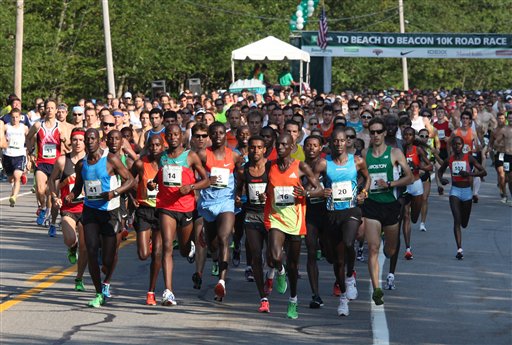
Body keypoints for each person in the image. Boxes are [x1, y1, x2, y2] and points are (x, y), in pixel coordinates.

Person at [65, 128, 134, 308]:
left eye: (92, 138)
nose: (89, 142)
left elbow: (130, 179)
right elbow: (78, 187)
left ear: (99, 140)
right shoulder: (81, 165)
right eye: (87, 139)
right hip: (90, 211)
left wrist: (114, 192)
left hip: (110, 212)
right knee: (91, 250)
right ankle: (98, 293)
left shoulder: (110, 160)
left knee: (108, 260)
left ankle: (106, 268)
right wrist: (72, 196)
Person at [149, 124, 210, 305]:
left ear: (182, 137)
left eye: (176, 134)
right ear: (166, 137)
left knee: (183, 250)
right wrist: (152, 185)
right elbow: (158, 178)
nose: (173, 137)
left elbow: (206, 180)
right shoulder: (162, 157)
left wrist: (191, 187)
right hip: (166, 207)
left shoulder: (190, 156)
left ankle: (190, 246)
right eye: (170, 135)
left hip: (186, 209)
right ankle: (168, 291)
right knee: (167, 247)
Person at [264, 133, 322, 319]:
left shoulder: (301, 166)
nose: (280, 147)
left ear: (292, 147)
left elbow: (319, 189)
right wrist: (264, 196)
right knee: (274, 256)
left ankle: (293, 301)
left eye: (284, 145)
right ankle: (279, 271)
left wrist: (305, 193)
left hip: (295, 221)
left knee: (293, 266)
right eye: (277, 144)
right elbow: (268, 188)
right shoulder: (270, 165)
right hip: (275, 217)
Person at [315, 127, 371, 316]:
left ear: (348, 142)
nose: (339, 144)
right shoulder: (324, 163)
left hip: (351, 210)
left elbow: (367, 177)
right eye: (336, 141)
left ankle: (350, 276)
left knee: (349, 242)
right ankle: (343, 298)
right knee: (336, 261)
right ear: (331, 143)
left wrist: (364, 192)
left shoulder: (356, 161)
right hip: (332, 213)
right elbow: (311, 183)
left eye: (342, 140)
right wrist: (320, 191)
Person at [363, 117, 413, 305]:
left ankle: (390, 247)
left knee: (390, 250)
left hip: (391, 205)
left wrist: (391, 183)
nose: (375, 135)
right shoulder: (364, 153)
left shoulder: (395, 153)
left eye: (378, 132)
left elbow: (409, 177)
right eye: (372, 132)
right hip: (372, 205)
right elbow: (360, 177)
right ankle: (377, 289)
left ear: (384, 133)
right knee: (373, 248)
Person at [196, 122, 242, 301]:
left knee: (224, 238)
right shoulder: (202, 154)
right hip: (208, 203)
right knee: (213, 245)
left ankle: (221, 282)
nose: (217, 136)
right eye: (214, 133)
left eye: (221, 133)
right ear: (209, 135)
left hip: (226, 202)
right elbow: (192, 172)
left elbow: (242, 175)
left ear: (226, 135)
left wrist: (239, 193)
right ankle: (214, 256)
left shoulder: (234, 156)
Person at [235, 135, 272, 312]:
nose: (255, 150)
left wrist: (269, 197)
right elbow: (239, 187)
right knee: (256, 256)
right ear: (248, 149)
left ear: (264, 149)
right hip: (251, 215)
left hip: (271, 215)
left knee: (273, 256)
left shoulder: (271, 168)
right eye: (252, 147)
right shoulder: (243, 170)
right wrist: (237, 197)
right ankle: (263, 297)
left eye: (259, 147)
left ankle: (274, 273)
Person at [48, 127, 88, 291]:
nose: (78, 143)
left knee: (85, 248)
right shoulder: (62, 161)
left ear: (85, 142)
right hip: (69, 209)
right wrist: (54, 197)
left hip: (87, 209)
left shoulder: (91, 160)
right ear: (70, 141)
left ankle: (79, 278)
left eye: (81, 140)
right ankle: (72, 248)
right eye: (75, 139)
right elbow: (51, 180)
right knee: (71, 240)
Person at [437, 136, 487, 259]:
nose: (456, 146)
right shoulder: (449, 159)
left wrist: (469, 173)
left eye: (459, 144)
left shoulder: (468, 158)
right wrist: (442, 179)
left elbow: (483, 172)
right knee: (457, 220)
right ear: (452, 146)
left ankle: (460, 243)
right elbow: (440, 171)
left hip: (467, 192)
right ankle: (459, 249)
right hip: (455, 191)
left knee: (464, 223)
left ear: (463, 145)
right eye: (454, 144)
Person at [27, 99, 70, 228]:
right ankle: (44, 208)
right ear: (44, 109)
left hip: (55, 164)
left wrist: (64, 140)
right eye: (48, 108)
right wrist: (31, 152)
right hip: (41, 162)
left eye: (52, 108)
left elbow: (68, 147)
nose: (50, 110)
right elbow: (28, 137)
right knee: (40, 190)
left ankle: (50, 213)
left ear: (56, 110)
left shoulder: (60, 127)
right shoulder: (38, 125)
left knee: (52, 193)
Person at [303, 134, 328, 309]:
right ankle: (316, 294)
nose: (311, 148)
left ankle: (346, 277)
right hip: (309, 213)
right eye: (308, 145)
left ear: (321, 148)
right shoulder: (299, 167)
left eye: (315, 145)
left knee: (333, 255)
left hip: (327, 212)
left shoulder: (327, 166)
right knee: (311, 252)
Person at [400, 126, 432, 260]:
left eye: (410, 135)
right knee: (406, 216)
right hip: (403, 185)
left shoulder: (417, 150)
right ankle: (408, 248)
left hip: (416, 184)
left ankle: (416, 218)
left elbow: (429, 165)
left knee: (414, 217)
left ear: (414, 137)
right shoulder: (398, 150)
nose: (407, 137)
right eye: (405, 135)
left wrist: (418, 167)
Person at [3, 108, 28, 207]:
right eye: (13, 117)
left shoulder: (24, 127)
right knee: (11, 179)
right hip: (8, 154)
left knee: (17, 177)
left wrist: (30, 153)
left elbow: (30, 138)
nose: (15, 119)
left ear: (20, 117)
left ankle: (14, 196)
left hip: (19, 154)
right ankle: (12, 193)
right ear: (10, 117)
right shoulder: (6, 127)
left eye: (17, 117)